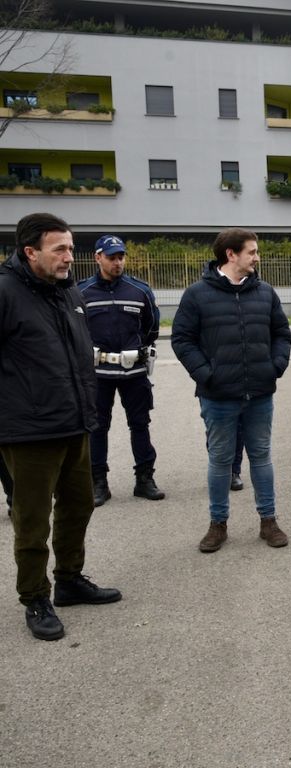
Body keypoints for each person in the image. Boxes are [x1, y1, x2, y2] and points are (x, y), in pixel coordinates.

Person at [0, 213, 122, 641]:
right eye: (60, 249)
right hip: (29, 432)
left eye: (71, 248)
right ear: (30, 251)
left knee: (79, 506)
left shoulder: (68, 290)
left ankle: (69, 579)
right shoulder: (5, 292)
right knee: (32, 522)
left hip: (75, 422)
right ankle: (35, 598)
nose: (70, 257)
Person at [171, 227, 291, 553]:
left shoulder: (265, 292)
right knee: (220, 460)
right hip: (218, 397)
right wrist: (206, 374)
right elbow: (182, 339)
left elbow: (282, 334)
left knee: (261, 457)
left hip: (259, 393)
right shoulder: (197, 294)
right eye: (252, 252)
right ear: (231, 254)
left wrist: (275, 366)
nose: (257, 257)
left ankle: (268, 521)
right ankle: (218, 524)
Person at [78, 234, 164, 506]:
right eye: (112, 257)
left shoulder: (140, 291)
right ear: (97, 257)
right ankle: (99, 483)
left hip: (134, 372)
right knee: (97, 428)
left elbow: (152, 328)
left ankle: (144, 480)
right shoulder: (82, 292)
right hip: (98, 373)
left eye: (121, 257)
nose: (118, 262)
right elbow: (76, 331)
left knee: (140, 424)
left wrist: (136, 349)